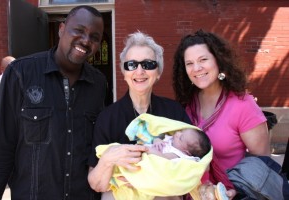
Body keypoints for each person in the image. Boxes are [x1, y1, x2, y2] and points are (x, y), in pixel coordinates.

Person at [0, 5, 107, 200]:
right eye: (79, 31)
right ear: (61, 30)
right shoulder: (20, 74)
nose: (86, 40)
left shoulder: (98, 84)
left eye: (94, 37)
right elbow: (1, 150)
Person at [88, 31, 191, 200]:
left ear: (158, 72)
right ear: (124, 72)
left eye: (148, 64)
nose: (139, 71)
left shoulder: (174, 112)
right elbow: (97, 184)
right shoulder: (107, 118)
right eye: (132, 65)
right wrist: (109, 159)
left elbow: (193, 167)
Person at [172, 29, 270, 199]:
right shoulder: (186, 105)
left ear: (219, 61)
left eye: (203, 59)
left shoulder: (243, 105)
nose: (197, 68)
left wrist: (235, 191)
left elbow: (262, 165)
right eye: (189, 63)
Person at [95, 113, 213, 200]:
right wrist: (157, 141)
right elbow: (157, 138)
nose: (177, 134)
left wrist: (149, 149)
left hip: (148, 165)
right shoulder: (173, 141)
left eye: (181, 137)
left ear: (186, 151)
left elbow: (163, 159)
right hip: (132, 160)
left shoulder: (179, 155)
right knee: (116, 152)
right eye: (181, 132)